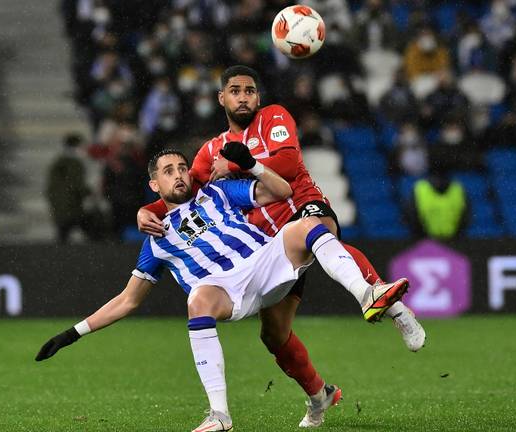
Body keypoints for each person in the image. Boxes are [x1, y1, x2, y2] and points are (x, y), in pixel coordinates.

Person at [35, 149, 410, 431]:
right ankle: (220, 414)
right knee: (198, 299)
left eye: (182, 168)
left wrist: (252, 163)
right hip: (227, 293)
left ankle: (366, 295)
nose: (179, 175)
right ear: (155, 185)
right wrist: (73, 333)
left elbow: (280, 190)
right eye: (168, 172)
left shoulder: (217, 194)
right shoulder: (156, 241)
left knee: (305, 225)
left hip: (265, 262)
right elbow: (128, 300)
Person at [136, 66, 425, 419]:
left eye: (250, 91)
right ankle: (320, 396)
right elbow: (184, 190)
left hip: (301, 202)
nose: (243, 97)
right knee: (274, 335)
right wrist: (146, 210)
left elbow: (288, 162)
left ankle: (387, 303)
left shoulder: (274, 116)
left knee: (317, 228)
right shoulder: (210, 150)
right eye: (235, 91)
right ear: (221, 98)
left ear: (258, 97)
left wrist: (239, 164)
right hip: (267, 244)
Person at [45, 133, 92, 243]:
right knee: (87, 228)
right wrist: (89, 192)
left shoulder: (59, 161)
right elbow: (76, 184)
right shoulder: (74, 163)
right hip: (70, 203)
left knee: (63, 233)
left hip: (61, 202)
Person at [406, 164, 469, 240]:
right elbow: (466, 216)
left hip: (430, 242)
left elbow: (466, 216)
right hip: (450, 241)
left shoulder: (419, 188)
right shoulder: (458, 188)